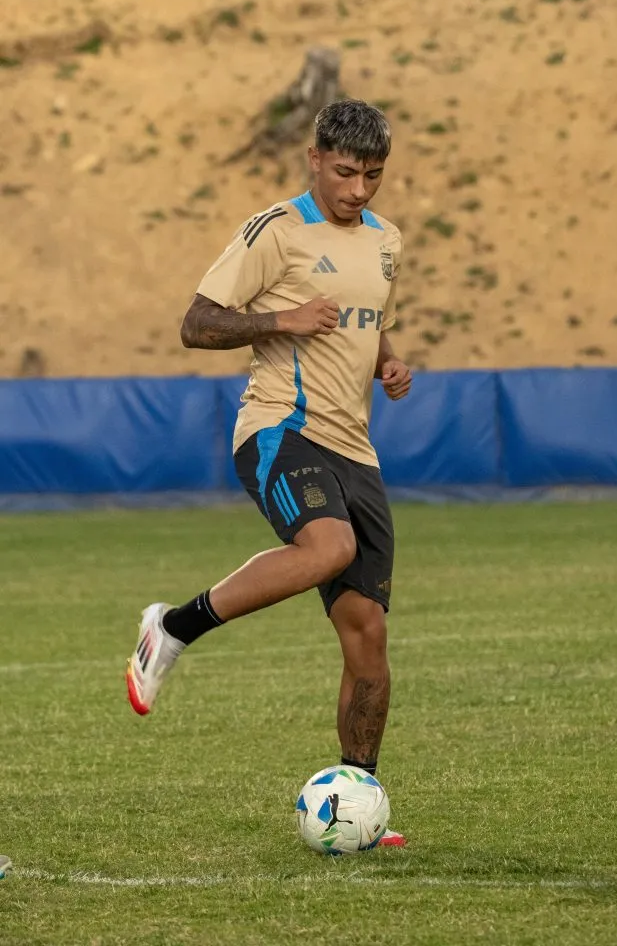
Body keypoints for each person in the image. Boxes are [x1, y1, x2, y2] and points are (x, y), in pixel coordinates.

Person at [126, 99, 412, 846]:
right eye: (346, 172)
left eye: (372, 176)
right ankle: (173, 627)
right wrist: (280, 321)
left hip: (355, 448)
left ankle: (360, 800)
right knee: (329, 549)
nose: (358, 190)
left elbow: (367, 314)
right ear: (314, 158)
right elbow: (198, 323)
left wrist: (385, 359)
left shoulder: (386, 242)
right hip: (280, 428)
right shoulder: (275, 232)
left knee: (369, 636)